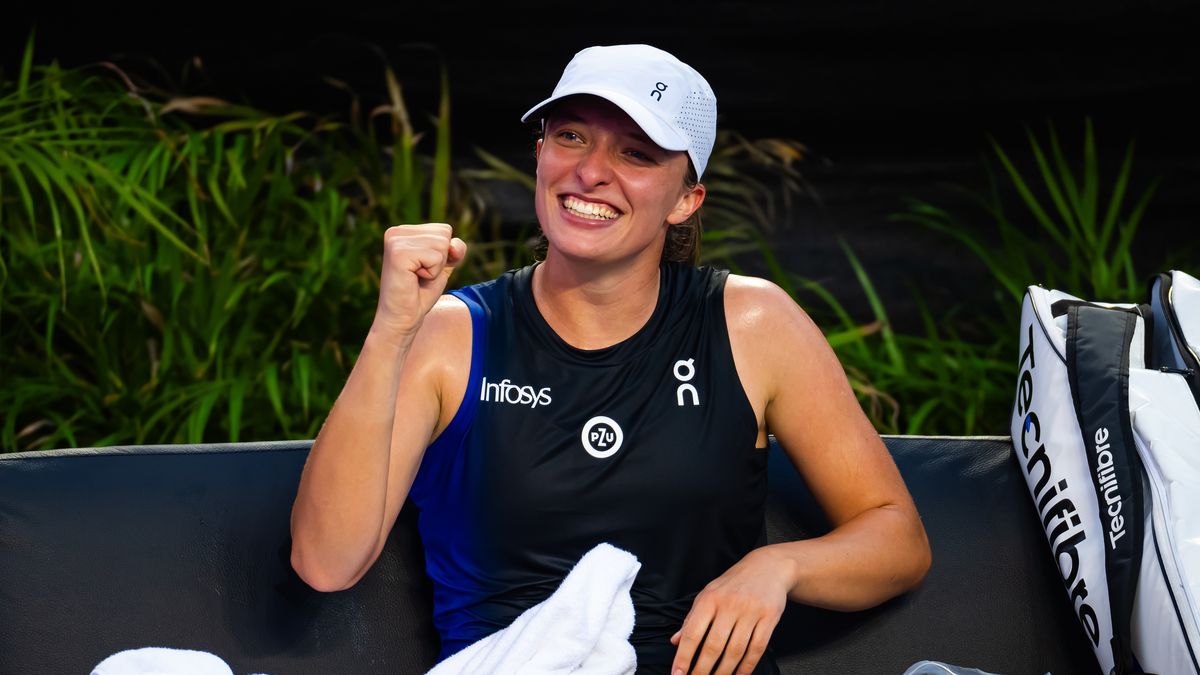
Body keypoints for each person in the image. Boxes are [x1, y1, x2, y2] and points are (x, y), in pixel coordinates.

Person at [289, 44, 931, 675]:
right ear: (539, 154)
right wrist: (391, 332)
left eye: (636, 153)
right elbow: (326, 562)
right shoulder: (452, 333)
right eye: (571, 136)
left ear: (686, 199)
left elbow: (896, 536)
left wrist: (780, 566)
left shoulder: (753, 324)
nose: (591, 171)